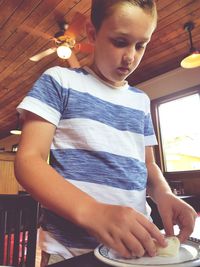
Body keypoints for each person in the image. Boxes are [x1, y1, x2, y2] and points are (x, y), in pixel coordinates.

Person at [15, 0, 197, 266]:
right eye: (120, 41)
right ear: (92, 33)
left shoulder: (141, 101)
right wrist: (94, 212)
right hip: (70, 252)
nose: (130, 57)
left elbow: (148, 165)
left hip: (136, 251)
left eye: (140, 45)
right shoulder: (59, 81)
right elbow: (29, 160)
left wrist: (165, 194)